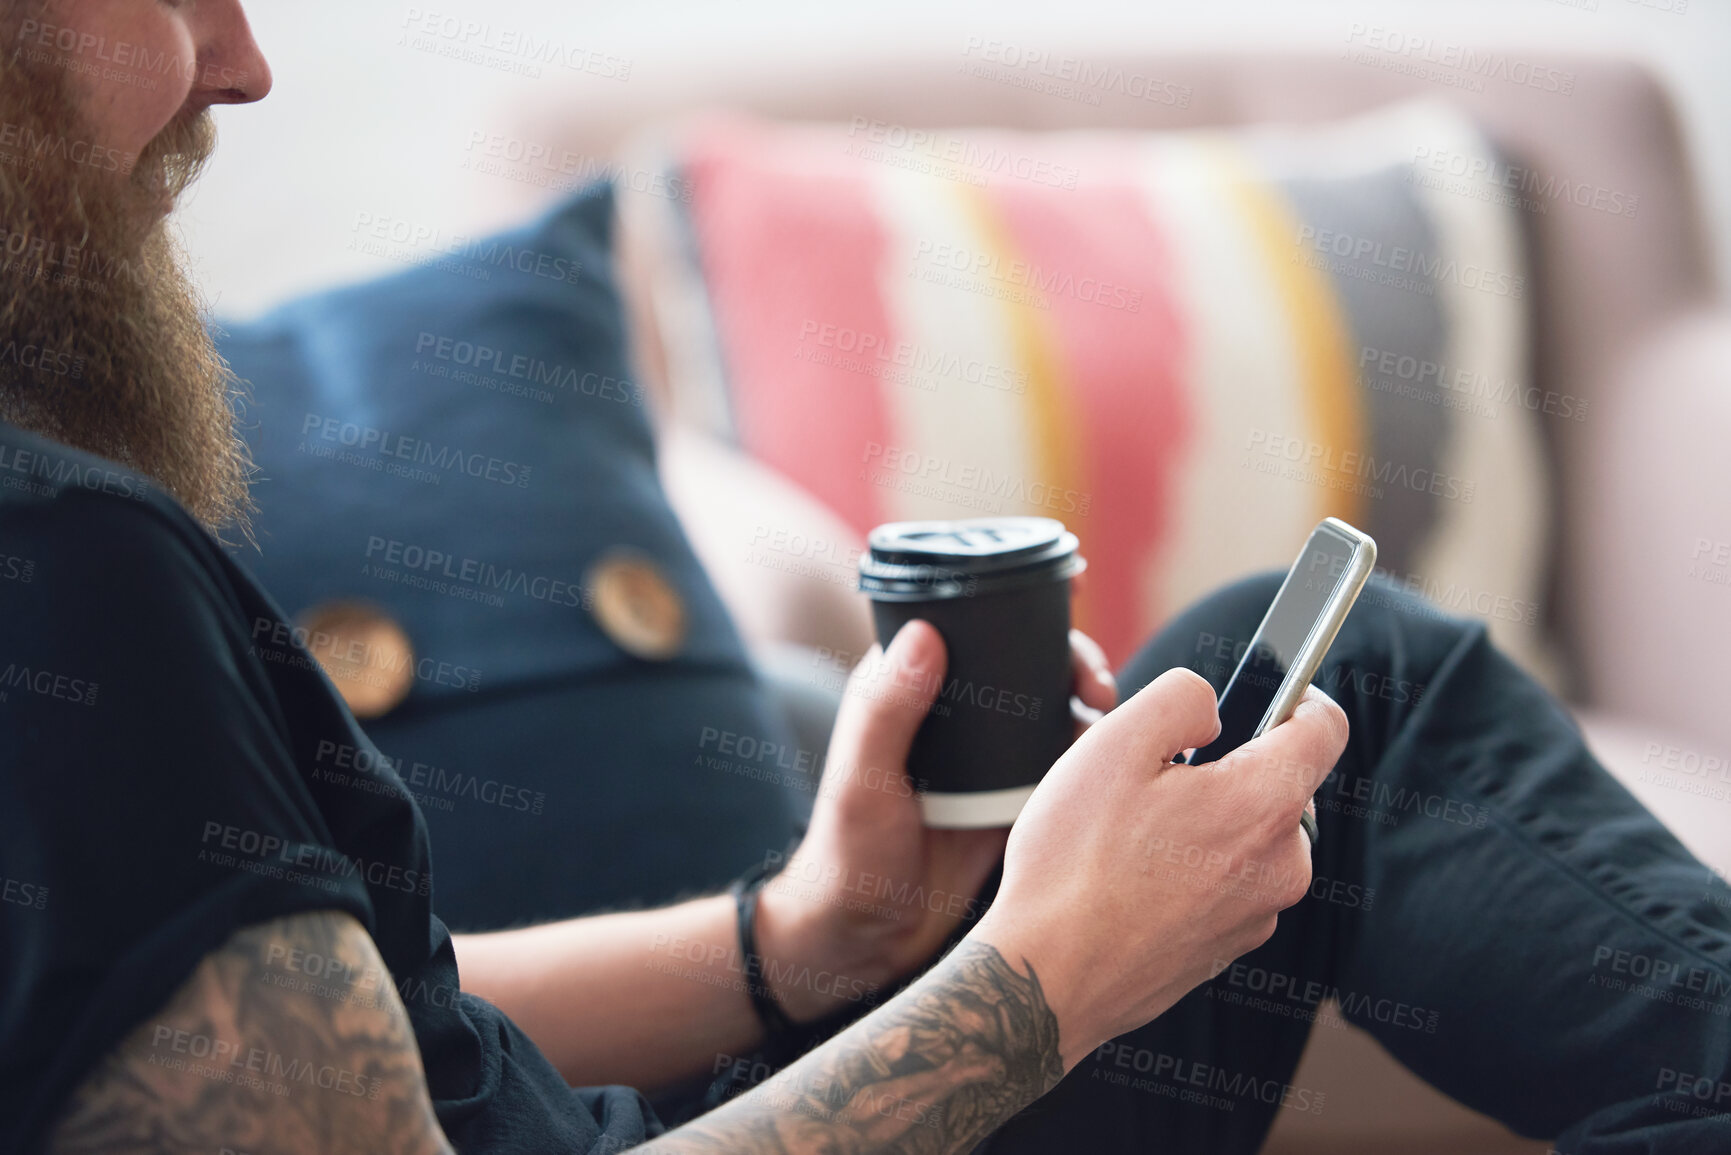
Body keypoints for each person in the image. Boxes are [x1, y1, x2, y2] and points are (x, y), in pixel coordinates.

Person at [0, 3, 1725, 1153]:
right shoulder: (66, 566)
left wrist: (801, 942)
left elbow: (294, 1043)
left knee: (1248, 688)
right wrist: (1051, 975)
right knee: (1353, 696)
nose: (238, 58)